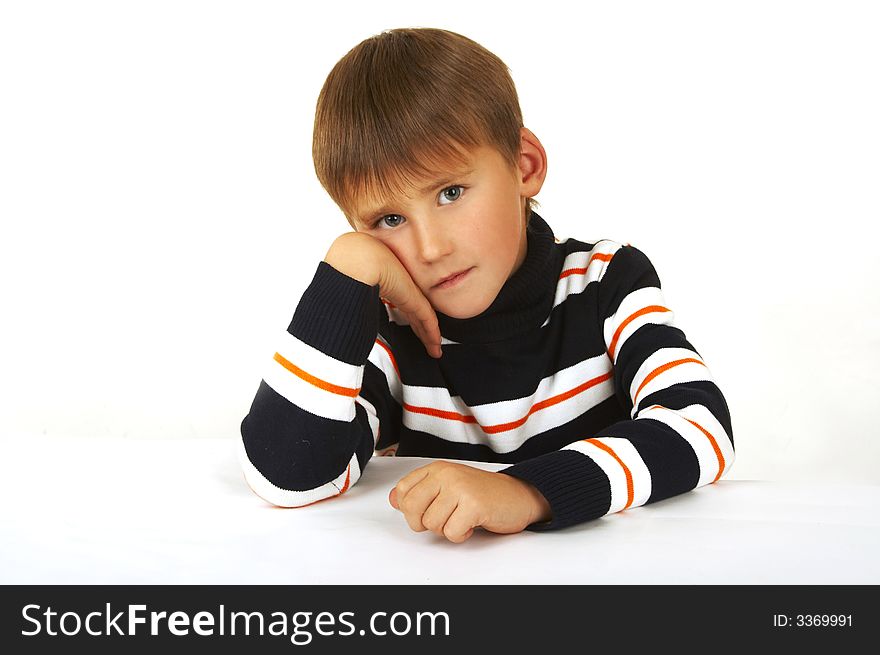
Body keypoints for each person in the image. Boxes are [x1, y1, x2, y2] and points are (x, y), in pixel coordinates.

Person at [238, 27, 735, 543]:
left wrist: (527, 492)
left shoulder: (606, 282)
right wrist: (346, 270)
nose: (430, 248)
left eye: (450, 192)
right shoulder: (390, 332)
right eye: (388, 220)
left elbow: (701, 428)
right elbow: (288, 478)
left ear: (525, 166)